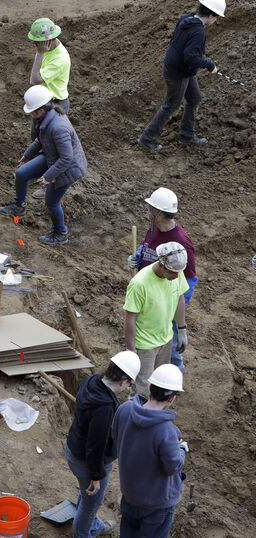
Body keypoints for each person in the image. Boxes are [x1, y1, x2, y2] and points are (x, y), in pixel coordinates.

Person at [0, 85, 87, 245]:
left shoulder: (58, 127)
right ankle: (19, 206)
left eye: (32, 111)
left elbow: (67, 158)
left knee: (51, 202)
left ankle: (60, 233)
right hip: (53, 157)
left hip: (67, 168)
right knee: (22, 173)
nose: (31, 114)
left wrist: (48, 176)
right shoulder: (46, 118)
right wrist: (28, 155)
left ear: (40, 109)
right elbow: (41, 139)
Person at [65, 351, 140, 538]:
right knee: (91, 503)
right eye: (128, 384)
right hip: (87, 461)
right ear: (123, 382)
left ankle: (93, 526)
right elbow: (96, 446)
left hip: (74, 448)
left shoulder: (92, 381)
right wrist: (96, 476)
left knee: (86, 493)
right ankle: (82, 533)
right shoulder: (104, 408)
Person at [139, 0, 225, 152]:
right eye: (217, 17)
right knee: (171, 105)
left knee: (194, 97)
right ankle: (147, 138)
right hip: (178, 72)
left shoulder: (187, 18)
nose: (216, 20)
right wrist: (208, 64)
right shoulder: (199, 32)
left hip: (180, 67)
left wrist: (198, 58)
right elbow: (190, 57)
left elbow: (180, 45)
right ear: (212, 15)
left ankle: (186, 136)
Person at [111, 364, 187, 538]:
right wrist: (182, 449)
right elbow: (173, 467)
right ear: (172, 399)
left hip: (130, 496)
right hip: (157, 504)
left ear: (151, 387)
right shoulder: (166, 431)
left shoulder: (124, 409)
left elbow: (116, 436)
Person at [128, 188, 196, 371]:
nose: (148, 211)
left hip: (165, 293)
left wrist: (172, 308)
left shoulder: (181, 241)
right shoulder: (154, 228)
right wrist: (139, 255)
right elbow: (147, 246)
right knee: (147, 329)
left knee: (168, 334)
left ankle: (174, 372)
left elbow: (189, 279)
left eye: (150, 208)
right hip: (149, 287)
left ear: (158, 212)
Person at [123, 241, 188, 392]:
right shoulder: (139, 284)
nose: (176, 276)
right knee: (143, 388)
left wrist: (182, 329)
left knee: (160, 382)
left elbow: (180, 298)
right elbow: (130, 317)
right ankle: (138, 412)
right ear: (161, 265)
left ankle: (155, 413)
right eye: (172, 272)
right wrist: (131, 350)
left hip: (166, 339)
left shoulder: (176, 270)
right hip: (145, 345)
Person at [28, 17, 71, 113]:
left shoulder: (60, 59)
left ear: (49, 40)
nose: (34, 43)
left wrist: (39, 53)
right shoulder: (46, 45)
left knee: (51, 128)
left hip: (56, 104)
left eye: (37, 41)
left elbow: (34, 81)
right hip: (44, 99)